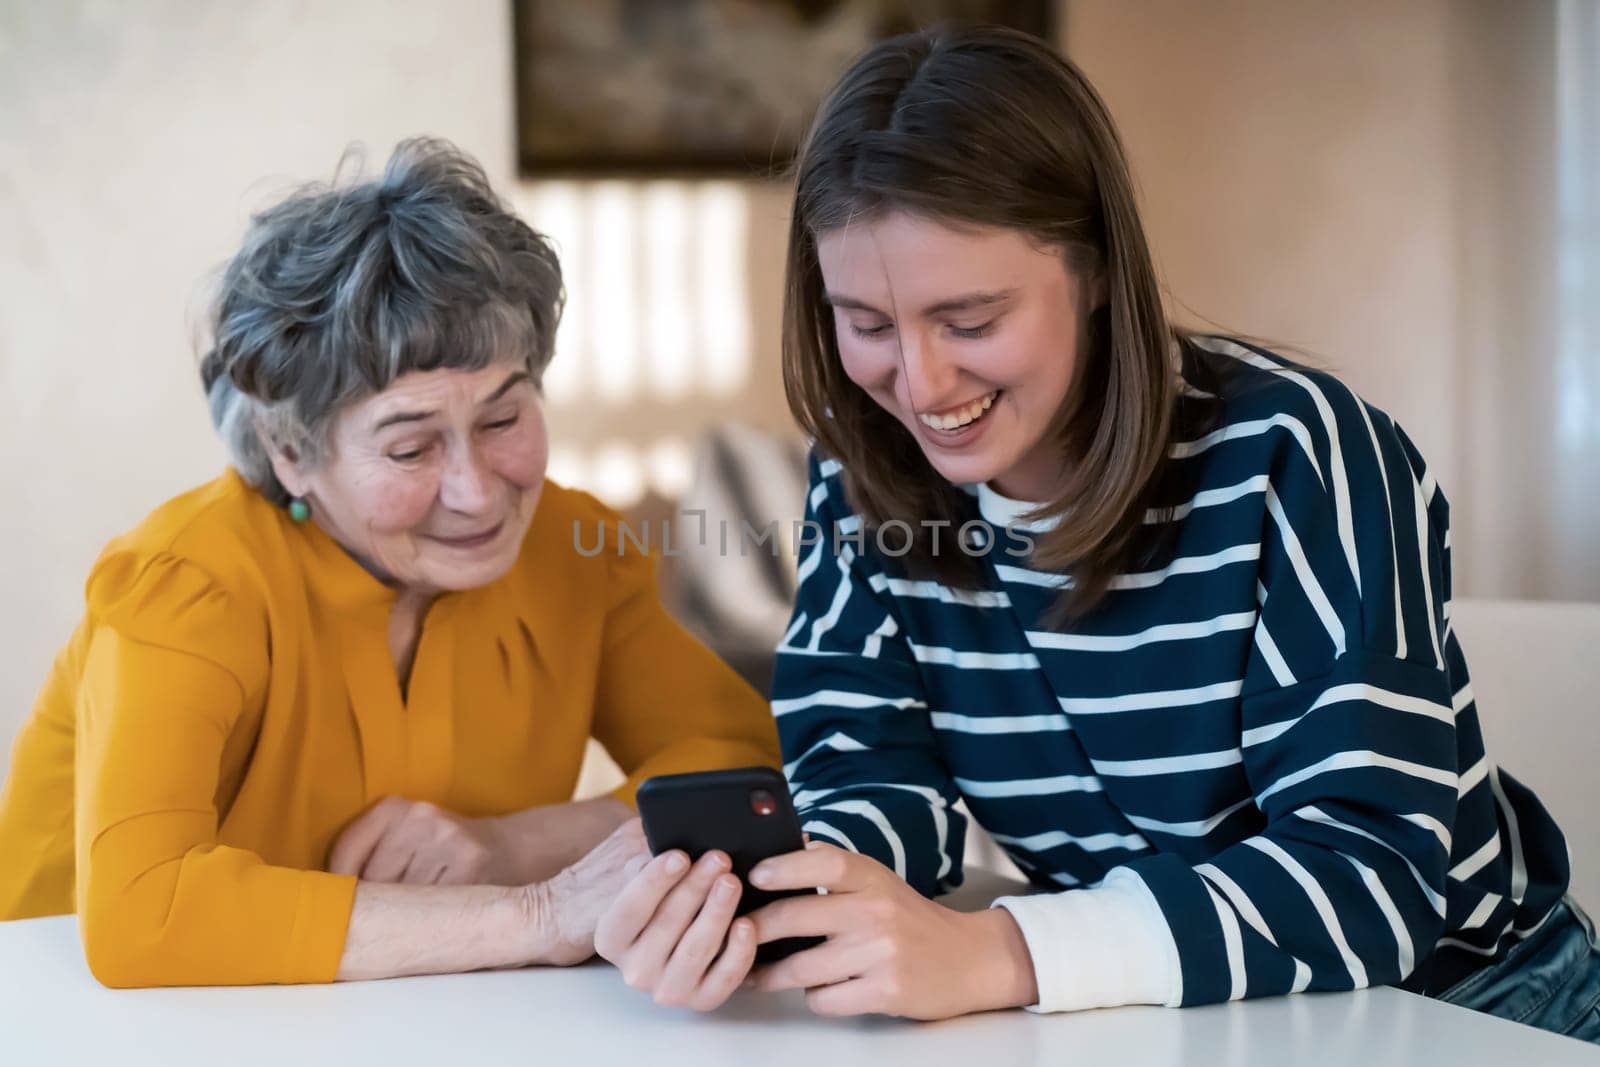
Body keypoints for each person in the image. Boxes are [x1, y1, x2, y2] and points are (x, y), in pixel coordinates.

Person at [595, 26, 1598, 1040]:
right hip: (1160, 1016)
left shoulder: (1299, 454)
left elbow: (1370, 875)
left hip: (1473, 1008)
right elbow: (869, 773)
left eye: (972, 319)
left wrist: (999, 948)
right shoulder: (862, 483)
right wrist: (772, 898)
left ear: (1095, 273)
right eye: (866, 322)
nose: (922, 382)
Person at [0, 138, 781, 987]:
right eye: (410, 449)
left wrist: (510, 844)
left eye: (502, 418)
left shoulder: (571, 549)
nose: (478, 493)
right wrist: (537, 911)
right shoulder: (190, 583)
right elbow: (144, 914)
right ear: (289, 451)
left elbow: (746, 764)